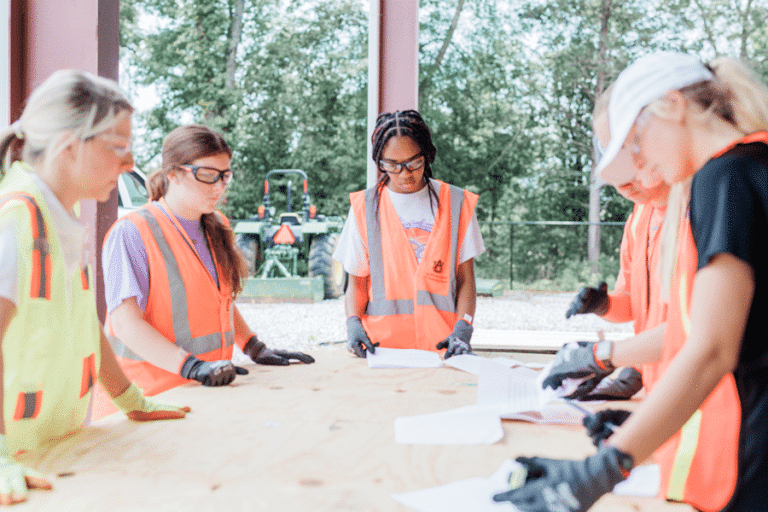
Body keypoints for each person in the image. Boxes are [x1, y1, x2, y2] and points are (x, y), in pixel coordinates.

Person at [494, 51, 768, 512]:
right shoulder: (753, 166)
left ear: (673, 105)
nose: (639, 162)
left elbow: (711, 350)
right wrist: (655, 429)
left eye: (636, 140)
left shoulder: (724, 177)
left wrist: (604, 467)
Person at [0, 69, 190, 506]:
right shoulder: (15, 220)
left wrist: (129, 398)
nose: (130, 165)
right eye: (119, 147)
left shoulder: (62, 220)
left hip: (53, 454)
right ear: (69, 147)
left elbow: (84, 322)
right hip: (16, 468)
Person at [102, 124, 314, 399]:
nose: (219, 187)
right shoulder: (131, 232)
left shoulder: (216, 227)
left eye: (225, 176)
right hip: (148, 398)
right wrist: (192, 367)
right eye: (207, 175)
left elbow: (219, 302)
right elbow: (125, 326)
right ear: (173, 174)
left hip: (203, 390)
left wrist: (252, 346)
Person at [333, 110, 485, 358]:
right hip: (380, 350)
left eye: (413, 163)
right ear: (379, 160)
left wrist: (463, 327)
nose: (405, 174)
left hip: (443, 349)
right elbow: (357, 282)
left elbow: (466, 279)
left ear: (427, 155)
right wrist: (352, 323)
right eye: (391, 165)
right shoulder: (365, 207)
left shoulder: (456, 203)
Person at [555, 87, 672, 401]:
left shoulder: (700, 212)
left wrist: (610, 356)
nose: (624, 184)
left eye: (630, 169)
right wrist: (603, 305)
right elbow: (633, 305)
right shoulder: (639, 218)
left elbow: (695, 329)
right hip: (661, 384)